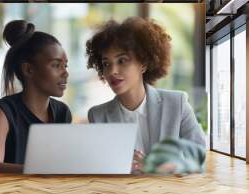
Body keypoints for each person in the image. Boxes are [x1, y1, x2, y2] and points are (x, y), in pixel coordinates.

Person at [86, 17, 206, 174]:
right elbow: (99, 166)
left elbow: (199, 155)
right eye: (106, 64)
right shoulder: (97, 115)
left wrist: (160, 167)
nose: (112, 71)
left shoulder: (177, 103)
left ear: (143, 64)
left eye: (122, 60)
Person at [0, 20, 71, 173]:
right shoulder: (2, 112)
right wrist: (43, 172)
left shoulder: (63, 112)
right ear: (28, 69)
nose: (65, 73)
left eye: (65, 65)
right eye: (56, 65)